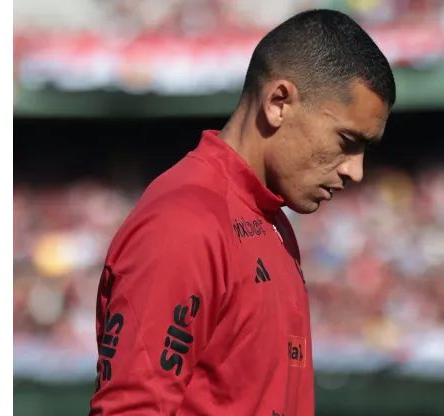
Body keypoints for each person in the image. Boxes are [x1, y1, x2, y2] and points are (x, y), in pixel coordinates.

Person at [89, 9, 395, 416]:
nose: (355, 170)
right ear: (279, 102)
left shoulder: (274, 222)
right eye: (347, 141)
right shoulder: (184, 224)